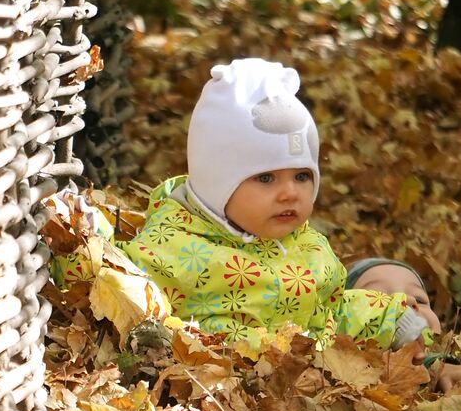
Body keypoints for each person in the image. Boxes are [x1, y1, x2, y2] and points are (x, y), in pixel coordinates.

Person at [52, 58, 430, 353]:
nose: (290, 193)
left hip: (309, 386)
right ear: (217, 182)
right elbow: (118, 286)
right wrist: (86, 241)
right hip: (223, 395)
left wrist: (391, 320)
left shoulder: (309, 247)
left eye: (301, 176)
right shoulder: (175, 249)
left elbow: (331, 312)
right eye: (265, 178)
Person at [345, 257, 461, 391]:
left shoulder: (450, 368)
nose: (408, 301)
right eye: (380, 297)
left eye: (420, 300)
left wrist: (440, 368)